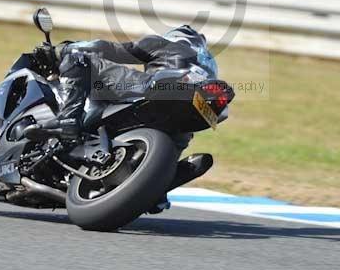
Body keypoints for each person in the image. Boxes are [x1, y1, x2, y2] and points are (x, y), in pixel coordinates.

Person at [27, 25, 216, 212]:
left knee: (79, 59)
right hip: (185, 122)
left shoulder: (167, 44)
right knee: (177, 138)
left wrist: (65, 49)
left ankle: (67, 120)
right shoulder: (209, 65)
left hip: (155, 89)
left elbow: (107, 49)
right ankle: (159, 188)